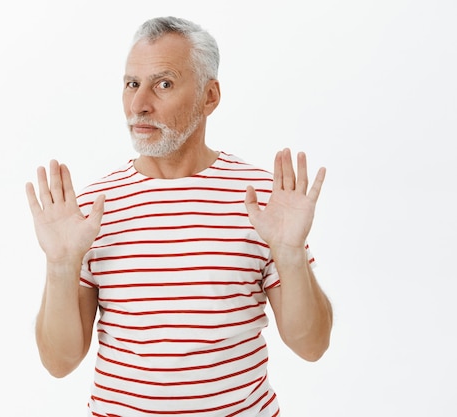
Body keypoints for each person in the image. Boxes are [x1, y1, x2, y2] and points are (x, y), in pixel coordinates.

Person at [25, 16, 333, 417]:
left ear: (209, 96)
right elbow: (59, 362)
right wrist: (61, 266)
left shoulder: (262, 202)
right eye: (132, 84)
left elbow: (312, 346)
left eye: (163, 84)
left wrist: (290, 254)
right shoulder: (91, 211)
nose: (139, 105)